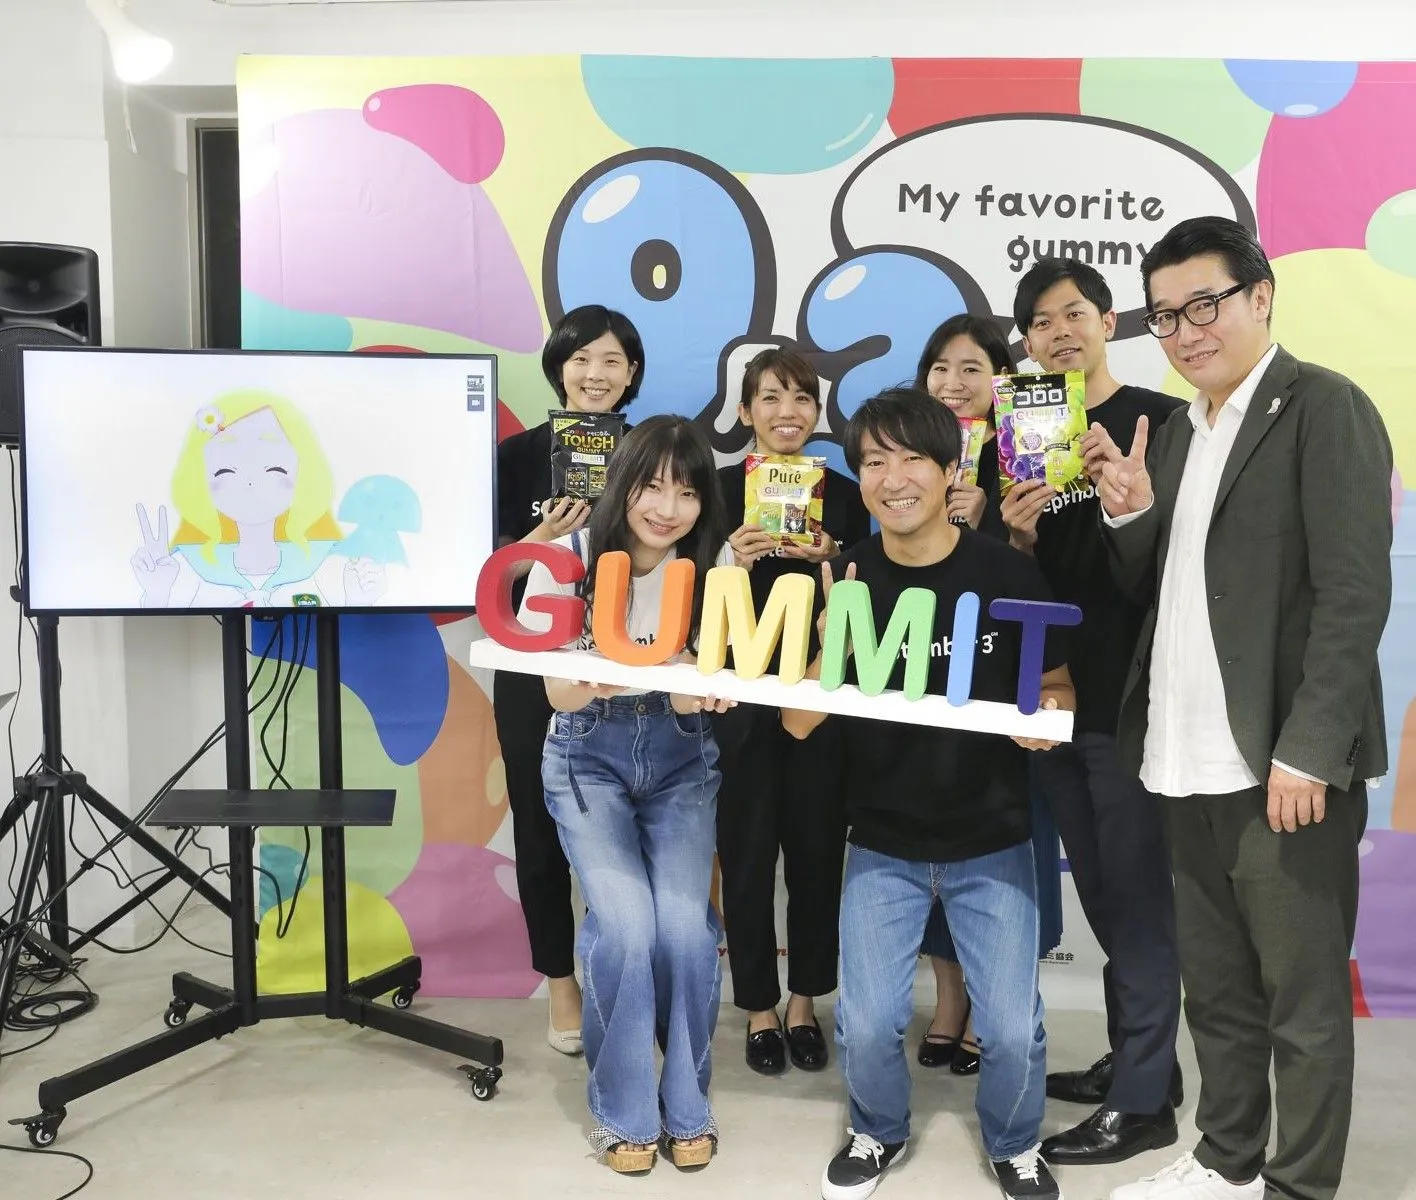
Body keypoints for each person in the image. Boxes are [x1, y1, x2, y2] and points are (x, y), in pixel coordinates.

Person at [1098, 216, 1392, 1200]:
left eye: (1204, 306)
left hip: (1279, 765)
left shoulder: (1324, 407)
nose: (1185, 332)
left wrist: (1311, 748)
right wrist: (1132, 514)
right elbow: (1170, 590)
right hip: (1181, 757)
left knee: (1301, 1005)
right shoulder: (1182, 431)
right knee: (1217, 992)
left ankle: (1298, 1185)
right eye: (1165, 316)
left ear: (1260, 297)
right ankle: (1227, 1160)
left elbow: (1354, 594)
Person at [784, 387, 1074, 1200]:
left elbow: (1058, 686)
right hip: (882, 841)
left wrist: (1048, 716)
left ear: (952, 470)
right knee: (868, 1021)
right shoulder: (848, 574)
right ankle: (876, 1131)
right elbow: (799, 723)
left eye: (913, 457)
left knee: (1011, 1028)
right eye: (875, 461)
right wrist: (826, 647)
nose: (894, 477)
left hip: (994, 838)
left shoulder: (1007, 571)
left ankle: (1015, 1143)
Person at [998, 259, 1186, 1167]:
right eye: (1040, 322)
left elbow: (1179, 568)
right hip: (1051, 695)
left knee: (1137, 894)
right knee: (1105, 893)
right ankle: (1145, 1066)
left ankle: (1143, 1103)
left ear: (1109, 322)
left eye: (1074, 313)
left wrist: (1130, 503)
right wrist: (1017, 535)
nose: (1059, 331)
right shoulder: (1017, 437)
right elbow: (1013, 584)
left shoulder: (1160, 422)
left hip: (1131, 701)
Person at [517, 414, 736, 1174]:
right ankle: (625, 1111)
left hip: (681, 759)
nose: (667, 508)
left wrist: (700, 691)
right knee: (626, 928)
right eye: (652, 486)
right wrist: (600, 677)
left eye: (687, 491)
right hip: (587, 757)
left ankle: (687, 1101)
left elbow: (696, 689)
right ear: (621, 484)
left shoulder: (713, 566)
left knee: (685, 933)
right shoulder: (567, 559)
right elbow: (556, 694)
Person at [911, 316, 1065, 1078]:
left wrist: (1008, 534)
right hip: (927, 686)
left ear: (1003, 382)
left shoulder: (1035, 458)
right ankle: (949, 1001)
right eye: (940, 368)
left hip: (1009, 691)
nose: (953, 383)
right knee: (930, 840)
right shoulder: (911, 463)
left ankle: (998, 1003)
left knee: (1013, 846)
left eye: (972, 368)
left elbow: (1053, 579)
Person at [715, 347, 872, 1076]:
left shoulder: (848, 495)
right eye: (771, 398)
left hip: (821, 703)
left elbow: (875, 585)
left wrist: (835, 555)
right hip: (740, 701)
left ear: (818, 411)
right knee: (746, 859)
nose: (788, 412)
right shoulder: (716, 490)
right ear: (745, 411)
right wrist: (730, 559)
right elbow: (682, 589)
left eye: (802, 398)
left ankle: (806, 1001)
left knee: (816, 855)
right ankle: (758, 1006)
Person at [492, 305, 643, 1055]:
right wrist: (542, 537)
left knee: (625, 822)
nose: (595, 373)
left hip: (627, 661)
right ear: (558, 369)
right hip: (531, 662)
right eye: (581, 359)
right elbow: (489, 580)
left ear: (632, 374)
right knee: (539, 821)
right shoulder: (516, 457)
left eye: (611, 360)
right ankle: (561, 983)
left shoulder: (649, 452)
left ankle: (618, 970)